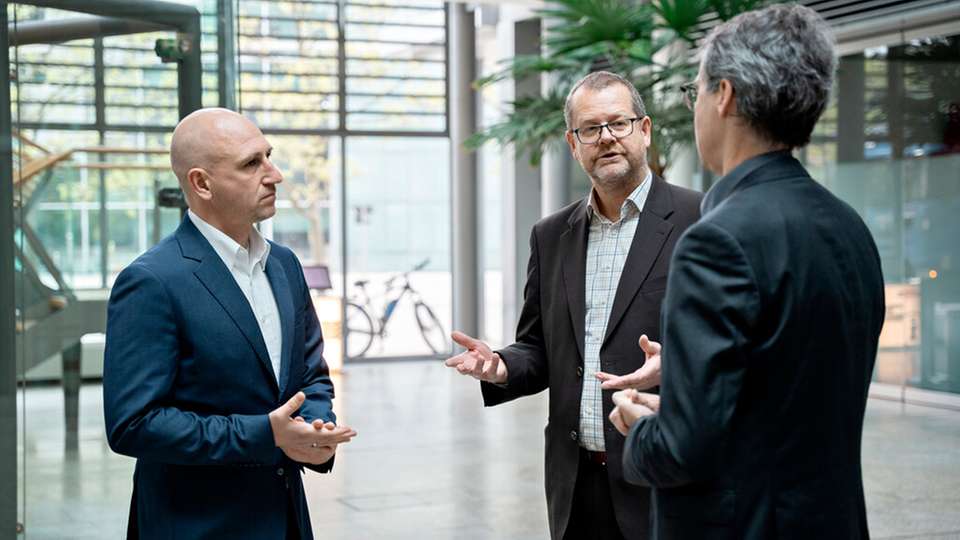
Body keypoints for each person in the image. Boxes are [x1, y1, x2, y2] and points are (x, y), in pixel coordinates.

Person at [610, 4, 885, 539]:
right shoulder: (849, 226)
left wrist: (640, 428)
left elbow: (681, 452)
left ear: (725, 95)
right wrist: (688, 368)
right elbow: (797, 371)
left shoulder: (717, 240)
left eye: (695, 92)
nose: (694, 110)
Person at [445, 71, 702, 539]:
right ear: (572, 143)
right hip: (576, 482)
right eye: (590, 128)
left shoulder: (699, 219)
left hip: (665, 478)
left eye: (618, 124)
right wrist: (501, 365)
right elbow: (539, 347)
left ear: (644, 130)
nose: (606, 138)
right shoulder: (551, 235)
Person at [103, 108, 356, 540]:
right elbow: (133, 424)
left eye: (268, 156)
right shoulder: (151, 281)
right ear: (201, 183)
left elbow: (310, 375)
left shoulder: (285, 265)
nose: (274, 174)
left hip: (286, 519)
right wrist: (266, 434)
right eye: (251, 163)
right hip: (196, 526)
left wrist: (315, 429)